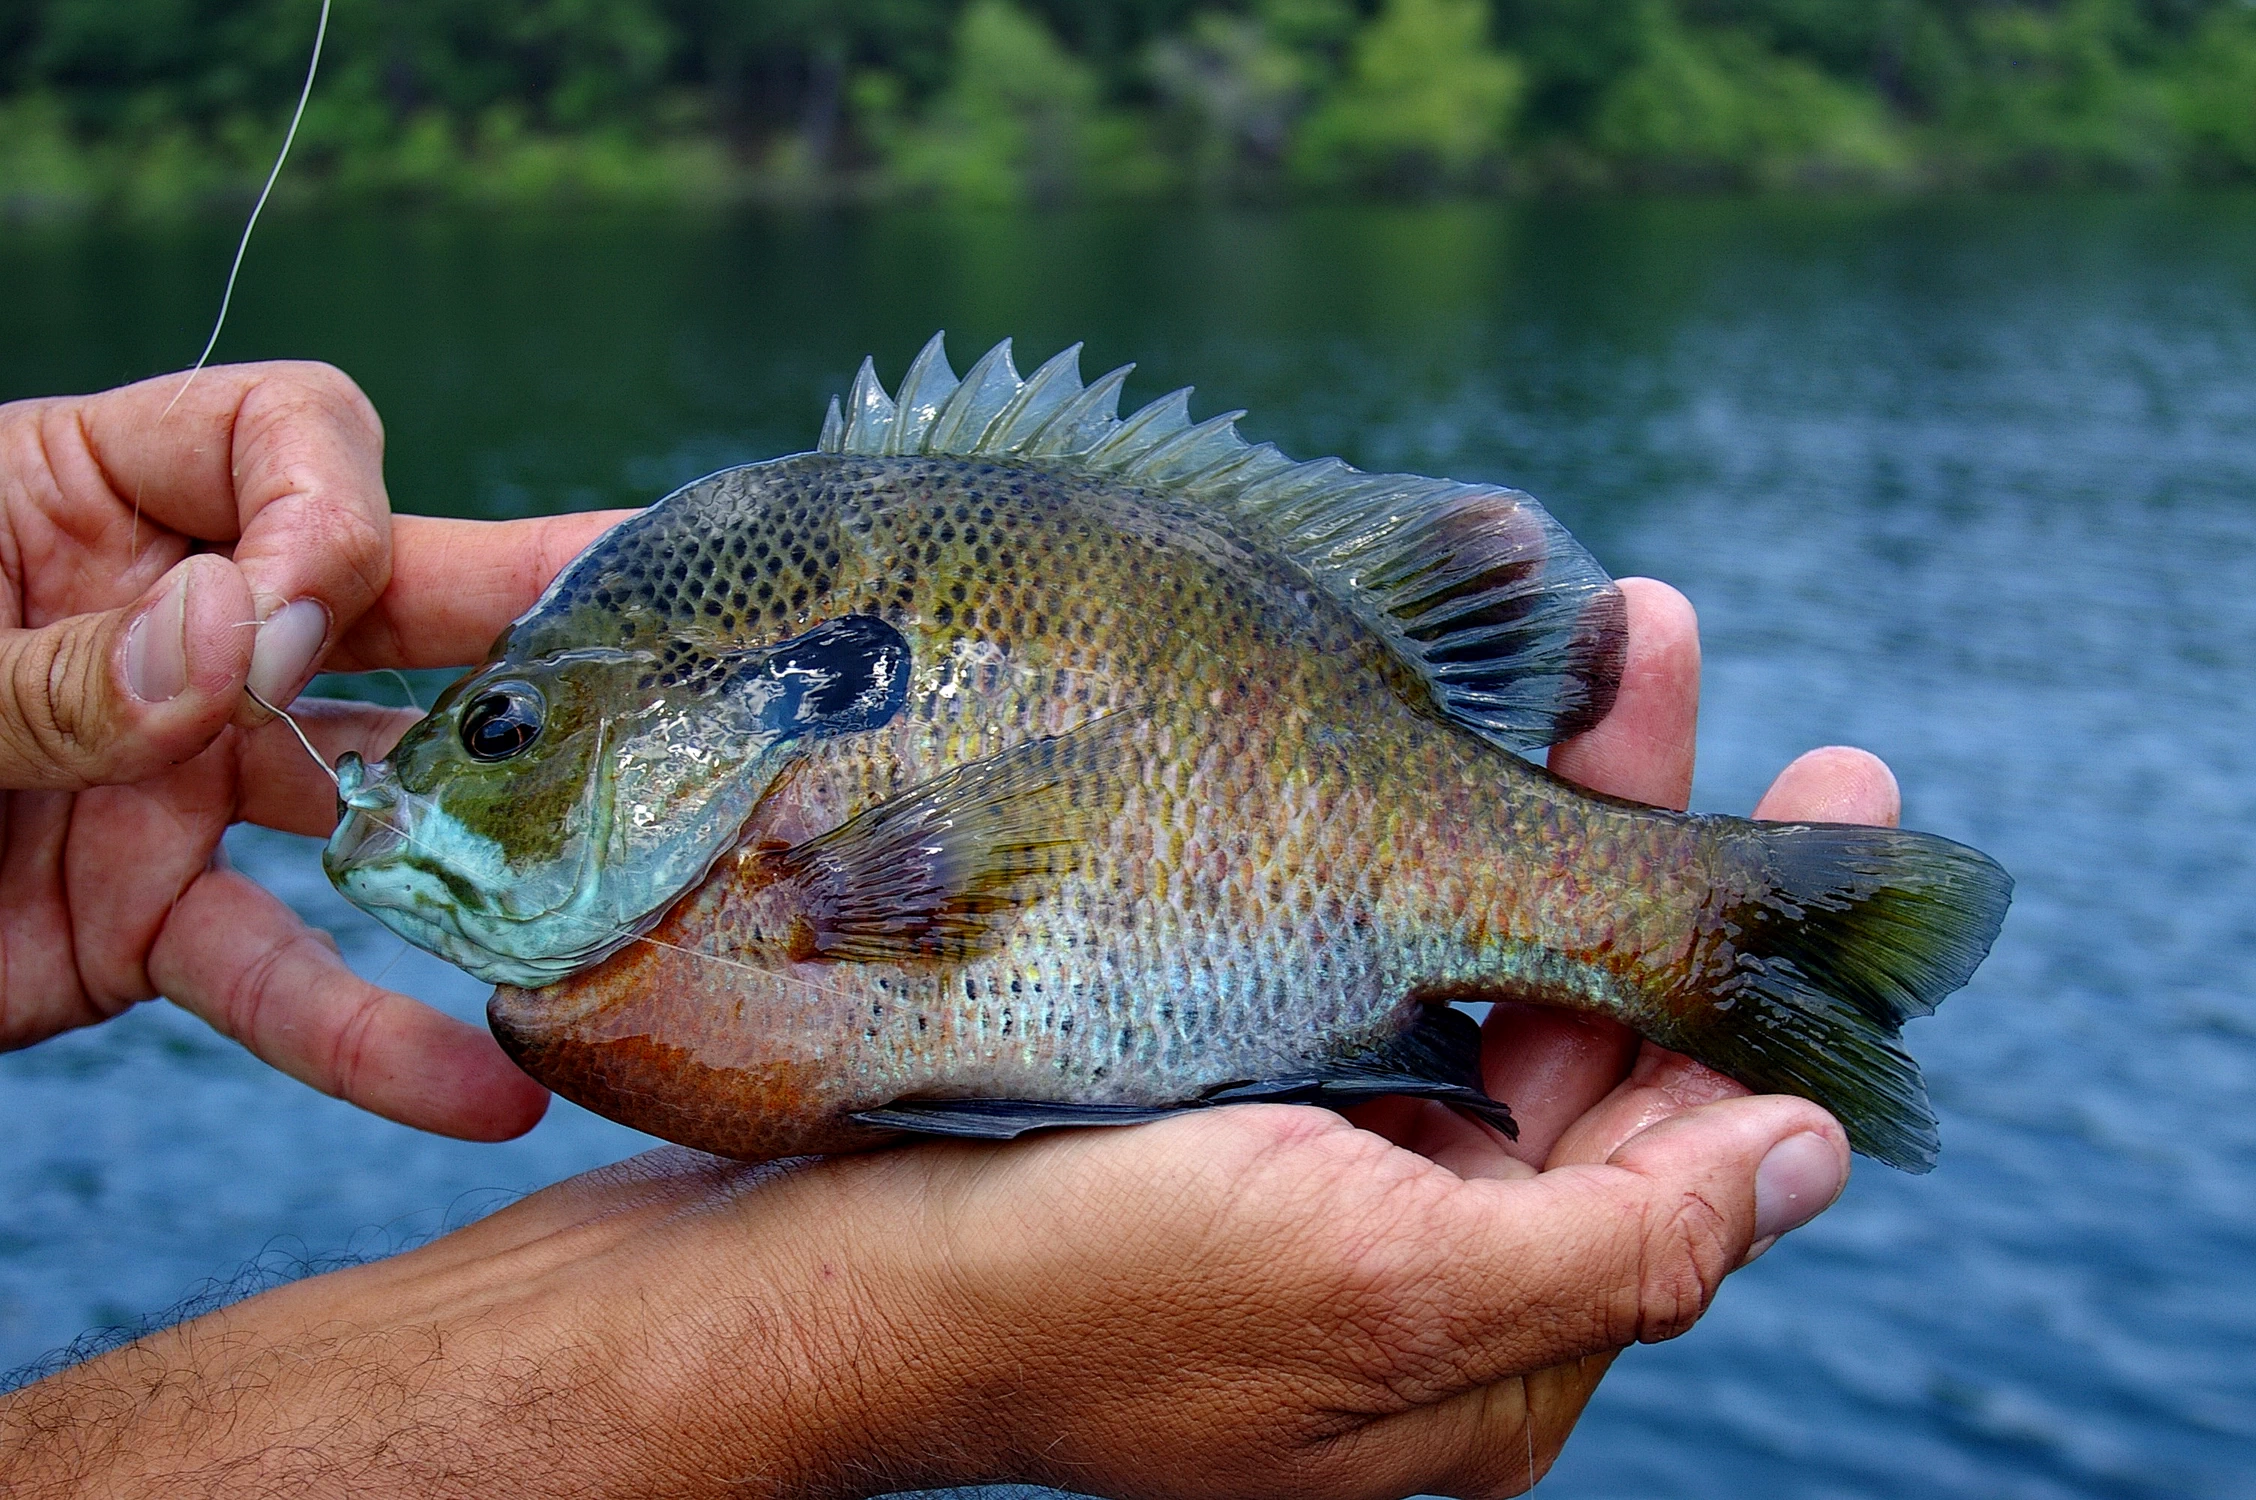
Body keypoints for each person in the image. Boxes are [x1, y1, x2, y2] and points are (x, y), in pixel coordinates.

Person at [0, 362, 1893, 1499]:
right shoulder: (687, 859)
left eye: (502, 732)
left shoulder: (786, 870)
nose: (433, 777)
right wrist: (868, 1341)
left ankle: (1711, 934)